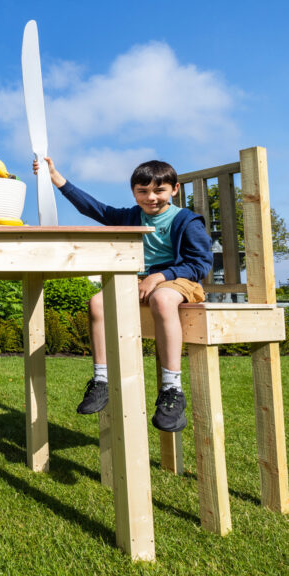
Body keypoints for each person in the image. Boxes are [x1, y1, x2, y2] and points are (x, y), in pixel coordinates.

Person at [34, 155, 211, 431]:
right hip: (139, 283)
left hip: (179, 280)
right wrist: (57, 178)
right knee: (97, 303)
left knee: (162, 299)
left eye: (159, 190)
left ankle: (172, 389)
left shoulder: (187, 221)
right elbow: (94, 209)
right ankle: (101, 380)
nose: (151, 197)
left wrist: (159, 277)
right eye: (143, 191)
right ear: (133, 192)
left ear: (174, 190)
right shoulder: (131, 216)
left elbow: (200, 264)